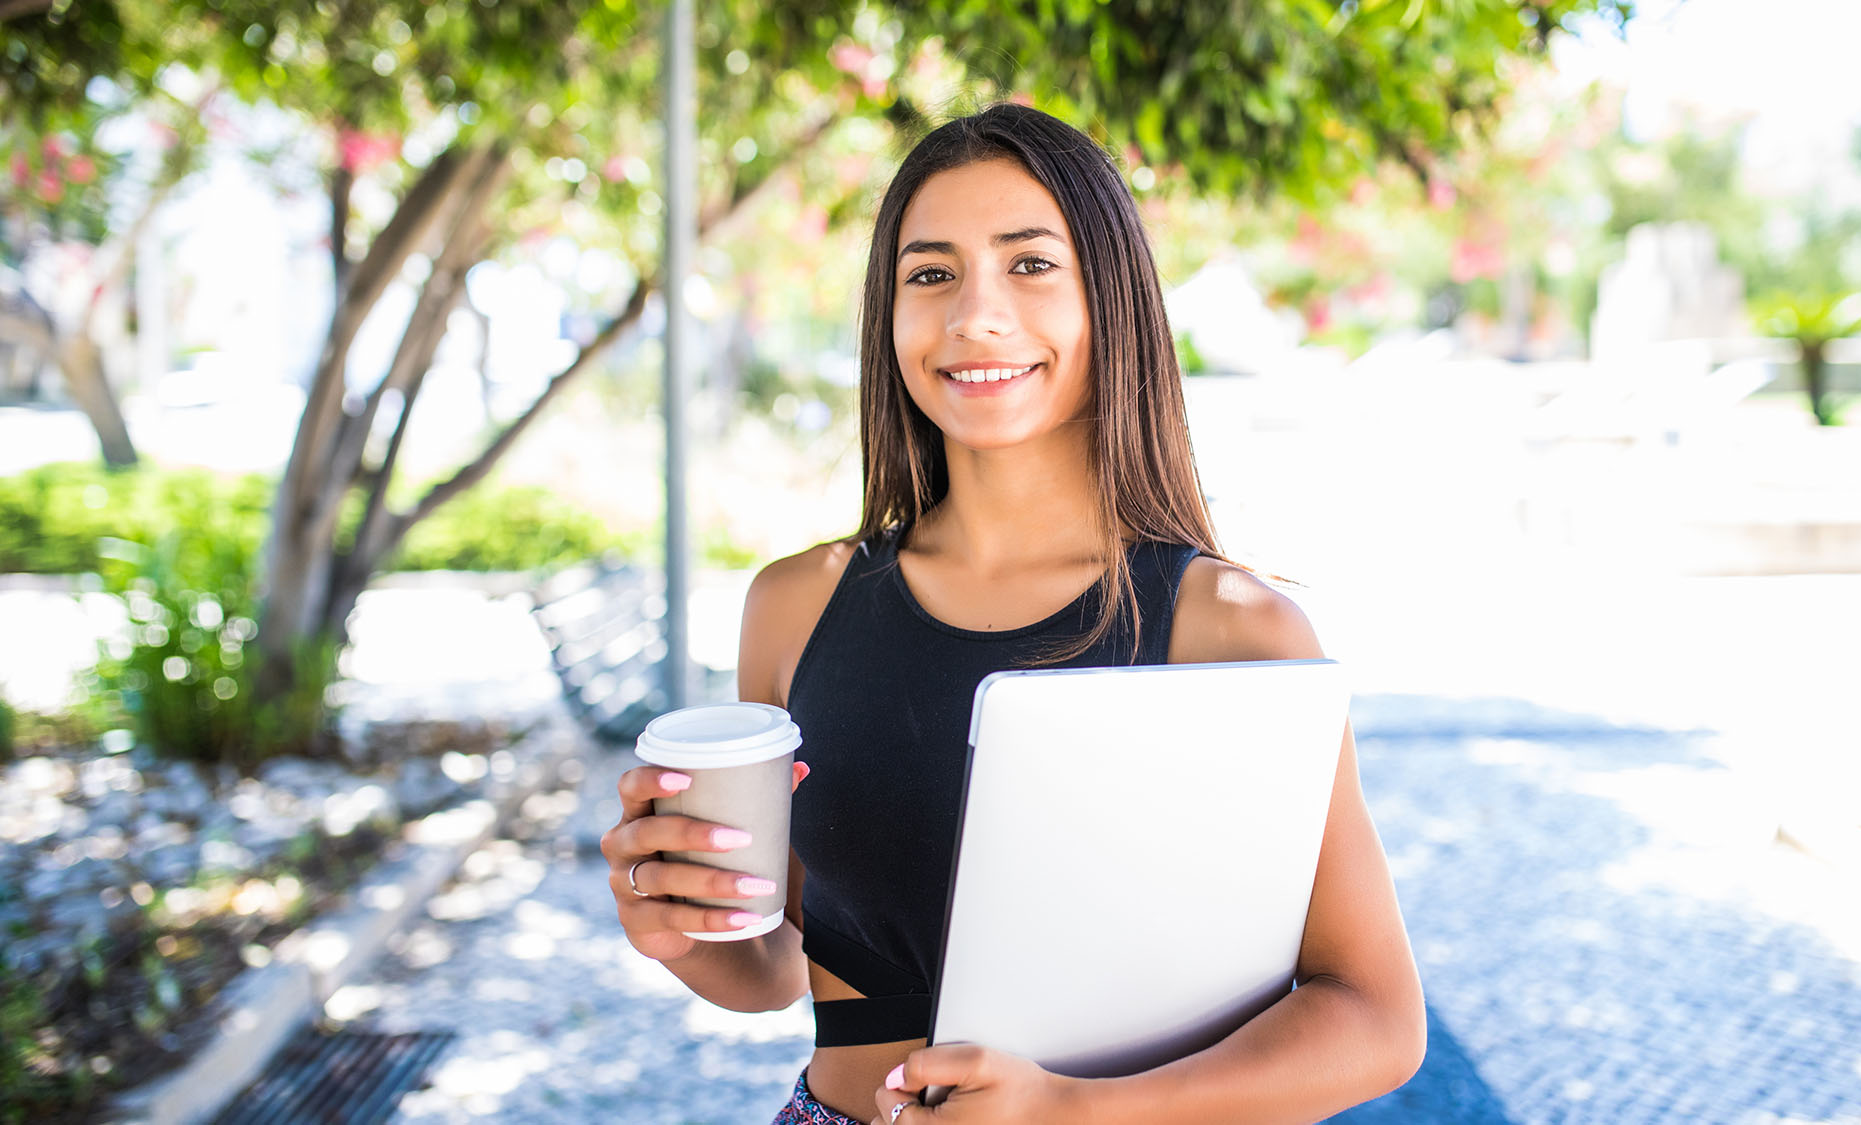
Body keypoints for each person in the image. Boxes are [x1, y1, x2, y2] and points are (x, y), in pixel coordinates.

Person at [601, 103, 1425, 1125]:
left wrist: (1072, 1110)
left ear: (1108, 299)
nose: (972, 316)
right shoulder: (793, 607)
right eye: (930, 272)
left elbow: (1375, 1018)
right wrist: (681, 929)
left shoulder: (1234, 631)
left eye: (1029, 264)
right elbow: (777, 967)